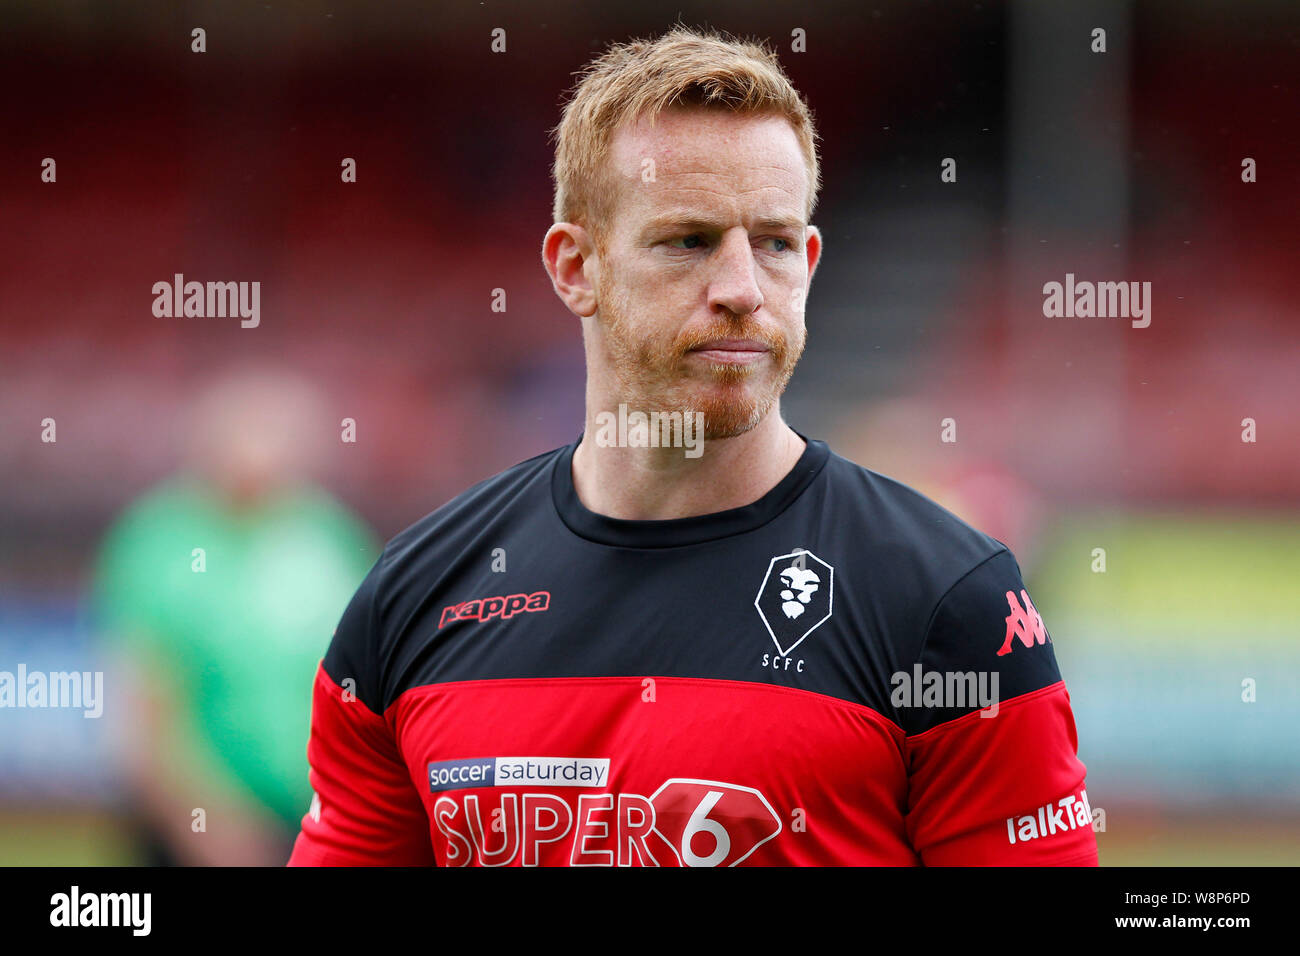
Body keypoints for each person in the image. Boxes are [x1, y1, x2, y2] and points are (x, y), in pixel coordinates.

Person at [288, 25, 1097, 866]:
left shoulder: (949, 602)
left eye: (776, 244)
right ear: (576, 267)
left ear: (811, 262)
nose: (744, 290)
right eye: (690, 241)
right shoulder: (414, 595)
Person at [94, 365, 378, 865]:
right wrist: (203, 823)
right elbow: (146, 706)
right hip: (200, 823)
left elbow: (364, 671)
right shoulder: (162, 540)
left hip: (311, 811)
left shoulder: (326, 532)